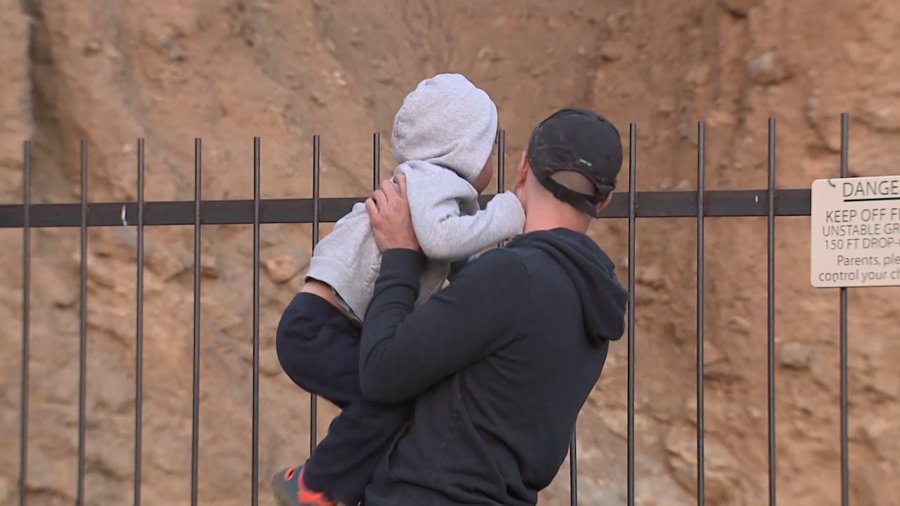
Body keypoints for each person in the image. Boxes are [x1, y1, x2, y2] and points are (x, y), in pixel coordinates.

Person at [272, 73, 526, 506]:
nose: (493, 160)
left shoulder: (432, 192)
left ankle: (337, 487)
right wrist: (513, 208)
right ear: (463, 148)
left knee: (391, 404)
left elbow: (461, 269)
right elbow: (444, 242)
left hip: (327, 325)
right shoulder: (431, 182)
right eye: (490, 147)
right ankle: (313, 486)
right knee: (387, 398)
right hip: (319, 327)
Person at [358, 107, 629, 505]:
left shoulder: (514, 275)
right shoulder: (589, 298)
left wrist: (400, 255)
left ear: (523, 169)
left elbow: (380, 372)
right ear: (603, 202)